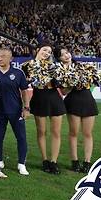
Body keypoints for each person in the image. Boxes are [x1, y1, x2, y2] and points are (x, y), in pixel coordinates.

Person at [56, 47, 101, 174]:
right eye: (62, 55)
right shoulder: (60, 70)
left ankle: (87, 162)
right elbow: (63, 91)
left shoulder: (84, 66)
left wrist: (94, 78)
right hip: (73, 101)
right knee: (73, 133)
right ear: (59, 58)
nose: (66, 55)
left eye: (67, 52)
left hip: (87, 99)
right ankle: (75, 161)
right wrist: (72, 83)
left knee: (88, 133)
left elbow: (96, 80)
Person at [22, 44, 66, 175]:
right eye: (44, 50)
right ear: (38, 50)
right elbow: (24, 85)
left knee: (56, 132)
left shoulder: (54, 66)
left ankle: (54, 161)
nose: (47, 53)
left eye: (49, 52)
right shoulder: (27, 65)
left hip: (54, 97)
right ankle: (45, 160)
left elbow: (61, 83)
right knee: (41, 131)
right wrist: (26, 106)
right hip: (39, 97)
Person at [0, 48, 31, 176]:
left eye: (4, 56)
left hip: (15, 111)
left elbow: (24, 91)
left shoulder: (18, 73)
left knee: (21, 137)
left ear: (11, 58)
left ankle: (21, 164)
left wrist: (26, 108)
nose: (0, 58)